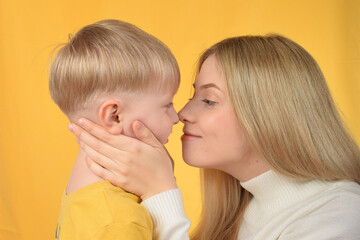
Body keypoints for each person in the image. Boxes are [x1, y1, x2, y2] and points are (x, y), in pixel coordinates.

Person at [68, 34, 360, 240]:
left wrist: (161, 194)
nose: (182, 113)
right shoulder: (241, 212)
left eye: (208, 100)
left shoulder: (338, 215)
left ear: (269, 114)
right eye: (192, 96)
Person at [49, 19, 184, 240]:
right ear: (115, 116)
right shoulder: (118, 222)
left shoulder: (83, 194)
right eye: (167, 105)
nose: (176, 117)